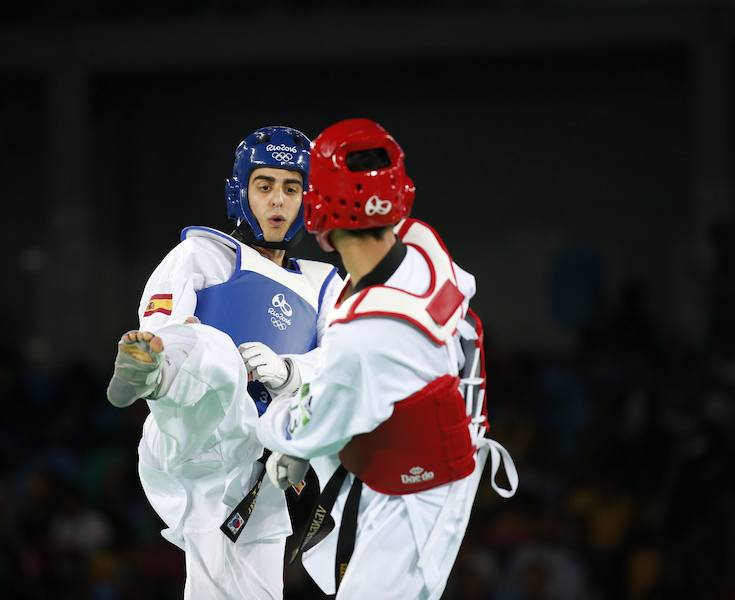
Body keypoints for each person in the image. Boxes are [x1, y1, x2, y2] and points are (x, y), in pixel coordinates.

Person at [256, 118, 519, 599]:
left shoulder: (367, 334)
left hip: (413, 496)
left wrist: (275, 426)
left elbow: (314, 429)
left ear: (316, 209)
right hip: (422, 444)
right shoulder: (422, 246)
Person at [105, 125, 343, 599]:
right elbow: (161, 324)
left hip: (261, 459)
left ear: (308, 200)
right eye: (265, 186)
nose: (278, 201)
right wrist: (154, 353)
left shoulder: (324, 285)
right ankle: (151, 376)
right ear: (240, 193)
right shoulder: (204, 253)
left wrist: (290, 373)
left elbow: (344, 365)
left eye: (291, 188)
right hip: (192, 426)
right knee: (210, 348)